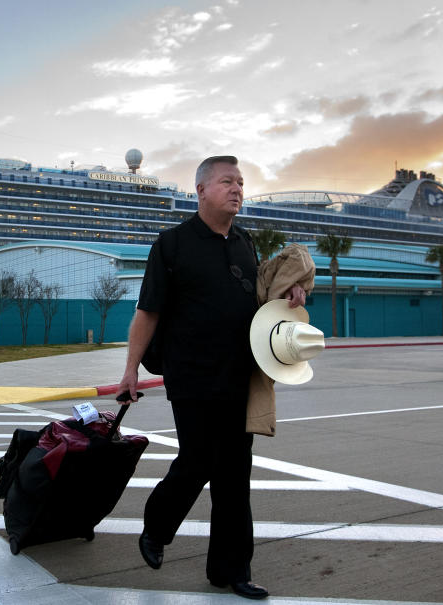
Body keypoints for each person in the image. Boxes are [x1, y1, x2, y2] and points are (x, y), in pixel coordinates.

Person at [117, 156, 305, 600]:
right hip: (192, 376)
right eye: (227, 182)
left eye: (241, 183)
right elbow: (148, 311)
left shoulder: (245, 242)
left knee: (235, 476)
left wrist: (291, 292)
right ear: (201, 190)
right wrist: (130, 370)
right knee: (198, 459)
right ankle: (157, 526)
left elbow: (262, 299)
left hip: (240, 375)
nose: (237, 189)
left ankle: (231, 570)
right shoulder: (173, 244)